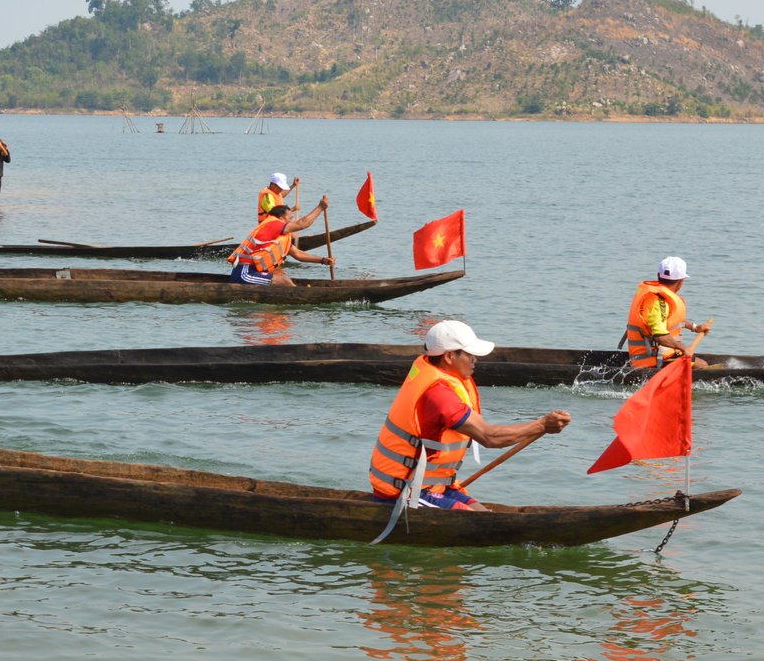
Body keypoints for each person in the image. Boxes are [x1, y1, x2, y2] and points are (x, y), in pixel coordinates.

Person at [367, 320, 571, 511]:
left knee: (487, 516)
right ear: (448, 356)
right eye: (469, 354)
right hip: (408, 490)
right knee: (485, 526)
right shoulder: (438, 394)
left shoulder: (436, 373)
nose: (475, 359)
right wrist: (543, 424)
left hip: (436, 485)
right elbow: (489, 437)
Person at [623, 256, 712, 370]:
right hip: (654, 360)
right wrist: (683, 348)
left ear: (658, 276)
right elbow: (659, 336)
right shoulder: (657, 302)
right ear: (681, 281)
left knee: (700, 363)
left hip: (660, 356)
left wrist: (695, 327)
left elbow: (671, 322)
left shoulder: (660, 299)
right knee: (702, 366)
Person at [228, 196, 334, 285]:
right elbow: (302, 224)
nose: (292, 221)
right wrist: (320, 207)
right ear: (281, 219)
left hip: (253, 271)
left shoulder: (280, 237)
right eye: (290, 218)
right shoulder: (273, 224)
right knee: (284, 281)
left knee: (281, 274)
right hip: (244, 273)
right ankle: (301, 298)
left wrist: (323, 260)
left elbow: (298, 254)